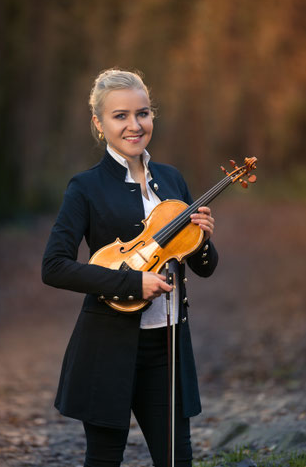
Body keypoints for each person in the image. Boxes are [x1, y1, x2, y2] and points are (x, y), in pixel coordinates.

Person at [42, 68, 218, 467]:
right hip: (108, 346)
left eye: (143, 113)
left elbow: (204, 268)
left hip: (169, 345)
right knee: (104, 459)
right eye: (120, 116)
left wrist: (204, 240)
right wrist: (129, 283)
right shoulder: (85, 187)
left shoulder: (171, 180)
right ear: (99, 124)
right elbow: (54, 266)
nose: (134, 125)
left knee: (177, 459)